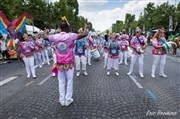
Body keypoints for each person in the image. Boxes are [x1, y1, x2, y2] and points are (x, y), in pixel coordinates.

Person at [48, 20, 89, 107]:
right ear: (67, 27)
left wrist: (45, 32)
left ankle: (61, 99)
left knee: (61, 81)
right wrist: (85, 27)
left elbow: (45, 37)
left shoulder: (55, 36)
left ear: (60, 28)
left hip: (59, 63)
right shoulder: (71, 36)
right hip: (69, 63)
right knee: (69, 81)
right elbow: (85, 34)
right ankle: (68, 99)